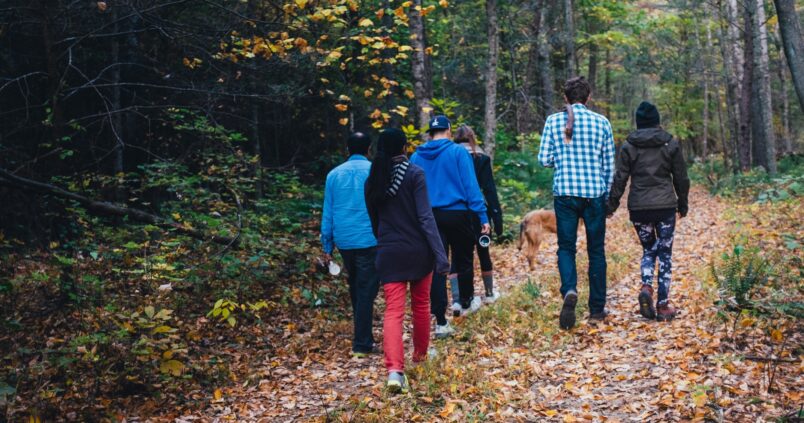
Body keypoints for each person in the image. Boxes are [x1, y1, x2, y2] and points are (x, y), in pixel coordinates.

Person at [365, 128, 449, 394]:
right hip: (418, 252)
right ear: (403, 148)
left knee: (393, 311)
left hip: (389, 252)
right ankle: (420, 358)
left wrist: (386, 241)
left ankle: (394, 371)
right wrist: (440, 253)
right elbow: (426, 217)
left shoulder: (373, 180)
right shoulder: (414, 174)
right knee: (421, 305)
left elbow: (374, 221)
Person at [538, 76, 615, 330]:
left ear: (565, 98)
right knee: (596, 251)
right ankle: (596, 309)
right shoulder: (602, 122)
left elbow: (544, 159)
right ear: (588, 97)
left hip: (565, 194)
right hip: (594, 194)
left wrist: (562, 159)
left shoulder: (553, 121)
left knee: (566, 247)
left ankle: (570, 289)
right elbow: (609, 166)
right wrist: (606, 198)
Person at [607, 101, 690, 321]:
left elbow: (620, 178)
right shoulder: (670, 143)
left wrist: (611, 205)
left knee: (648, 250)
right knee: (664, 254)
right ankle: (663, 306)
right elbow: (681, 176)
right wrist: (683, 203)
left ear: (638, 122)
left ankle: (646, 286)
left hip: (639, 208)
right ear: (657, 121)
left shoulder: (629, 146)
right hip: (664, 207)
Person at [411, 116, 490, 337]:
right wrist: (482, 215)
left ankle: (440, 320)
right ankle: (465, 303)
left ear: (430, 132)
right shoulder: (458, 153)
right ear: (448, 130)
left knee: (437, 264)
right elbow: (470, 186)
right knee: (463, 258)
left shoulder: (417, 156)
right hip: (457, 213)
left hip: (429, 217)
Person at [320, 132, 379, 357]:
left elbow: (329, 212)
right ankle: (362, 343)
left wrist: (327, 246)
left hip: (345, 240)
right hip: (369, 238)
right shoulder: (375, 171)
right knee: (366, 289)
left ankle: (364, 335)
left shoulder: (333, 175)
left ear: (347, 149)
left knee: (356, 285)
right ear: (368, 149)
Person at [448, 125, 503, 312]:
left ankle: (456, 299)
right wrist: (497, 216)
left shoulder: (450, 157)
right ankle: (488, 293)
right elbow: (489, 190)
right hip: (479, 212)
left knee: (457, 255)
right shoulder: (481, 158)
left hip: (456, 211)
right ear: (473, 138)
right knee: (483, 251)